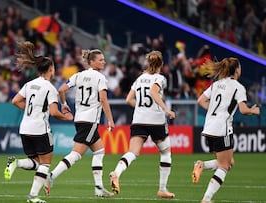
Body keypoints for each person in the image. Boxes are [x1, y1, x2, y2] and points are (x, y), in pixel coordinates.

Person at [3, 41, 73, 203]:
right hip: (40, 129)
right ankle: (32, 197)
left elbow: (15, 101)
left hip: (25, 128)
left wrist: (31, 110)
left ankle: (16, 162)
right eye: (54, 68)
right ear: (50, 69)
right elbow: (55, 112)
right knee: (45, 165)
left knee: (36, 163)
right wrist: (67, 118)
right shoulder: (50, 88)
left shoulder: (29, 84)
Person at [44, 49, 115, 197]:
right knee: (76, 154)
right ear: (92, 62)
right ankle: (51, 176)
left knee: (99, 151)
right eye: (101, 60)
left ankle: (98, 189)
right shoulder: (100, 78)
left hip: (80, 119)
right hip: (90, 121)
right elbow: (103, 99)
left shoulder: (78, 75)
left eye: (103, 59)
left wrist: (63, 104)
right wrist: (110, 119)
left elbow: (61, 90)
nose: (104, 62)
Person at [191, 57, 260, 203]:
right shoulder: (238, 87)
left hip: (209, 128)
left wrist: (215, 112)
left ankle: (202, 165)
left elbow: (200, 100)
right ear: (236, 70)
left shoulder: (216, 84)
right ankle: (206, 199)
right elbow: (243, 110)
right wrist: (252, 111)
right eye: (240, 67)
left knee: (230, 162)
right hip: (222, 130)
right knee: (224, 166)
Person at [109, 50, 176, 198]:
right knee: (165, 152)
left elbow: (128, 99)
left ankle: (116, 173)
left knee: (132, 152)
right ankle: (162, 189)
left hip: (139, 119)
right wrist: (166, 109)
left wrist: (140, 108)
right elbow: (153, 92)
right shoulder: (160, 78)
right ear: (161, 64)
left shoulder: (140, 79)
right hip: (156, 120)